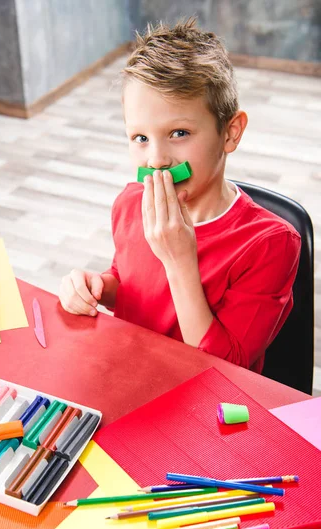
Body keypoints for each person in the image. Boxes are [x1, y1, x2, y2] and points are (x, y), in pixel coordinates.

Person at [59, 18, 301, 373]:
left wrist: (179, 259)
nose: (156, 160)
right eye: (140, 138)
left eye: (179, 132)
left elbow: (226, 366)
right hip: (132, 378)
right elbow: (131, 284)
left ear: (230, 134)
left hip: (207, 405)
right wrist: (96, 287)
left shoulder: (271, 245)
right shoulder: (131, 203)